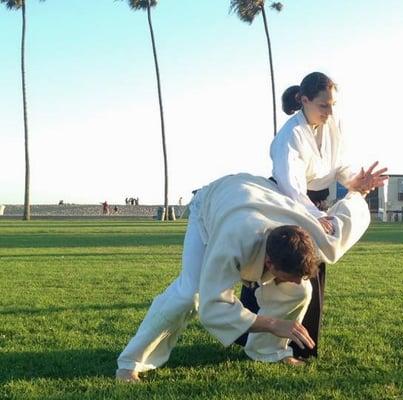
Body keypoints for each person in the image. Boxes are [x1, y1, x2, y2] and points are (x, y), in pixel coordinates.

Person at [116, 170, 383, 382]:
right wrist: (270, 323)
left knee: (302, 291)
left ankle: (269, 351)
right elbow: (213, 306)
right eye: (285, 276)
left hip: (259, 194)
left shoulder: (322, 237)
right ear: (269, 262)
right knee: (189, 294)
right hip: (213, 204)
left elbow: (350, 217)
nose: (290, 282)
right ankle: (129, 364)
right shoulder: (233, 240)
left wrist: (355, 192)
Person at [240, 72, 388, 359]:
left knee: (311, 269)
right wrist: (312, 217)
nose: (329, 112)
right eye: (323, 106)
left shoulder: (334, 125)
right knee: (282, 270)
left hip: (316, 202)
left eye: (332, 105)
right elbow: (291, 185)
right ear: (304, 100)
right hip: (286, 202)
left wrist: (356, 182)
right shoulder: (290, 135)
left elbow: (340, 166)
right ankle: (262, 338)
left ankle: (301, 345)